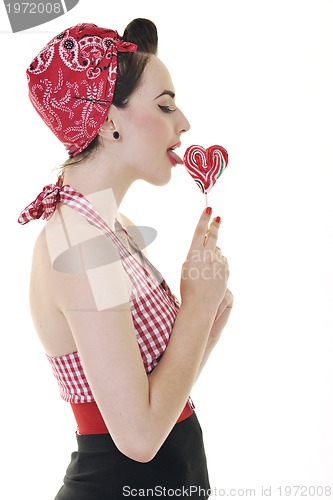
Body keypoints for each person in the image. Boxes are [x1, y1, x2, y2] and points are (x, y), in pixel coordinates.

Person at [18, 18, 233, 499]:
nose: (184, 122)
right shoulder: (79, 246)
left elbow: (157, 396)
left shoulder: (113, 228)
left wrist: (207, 325)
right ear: (109, 122)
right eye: (165, 105)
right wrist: (195, 309)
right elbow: (137, 438)